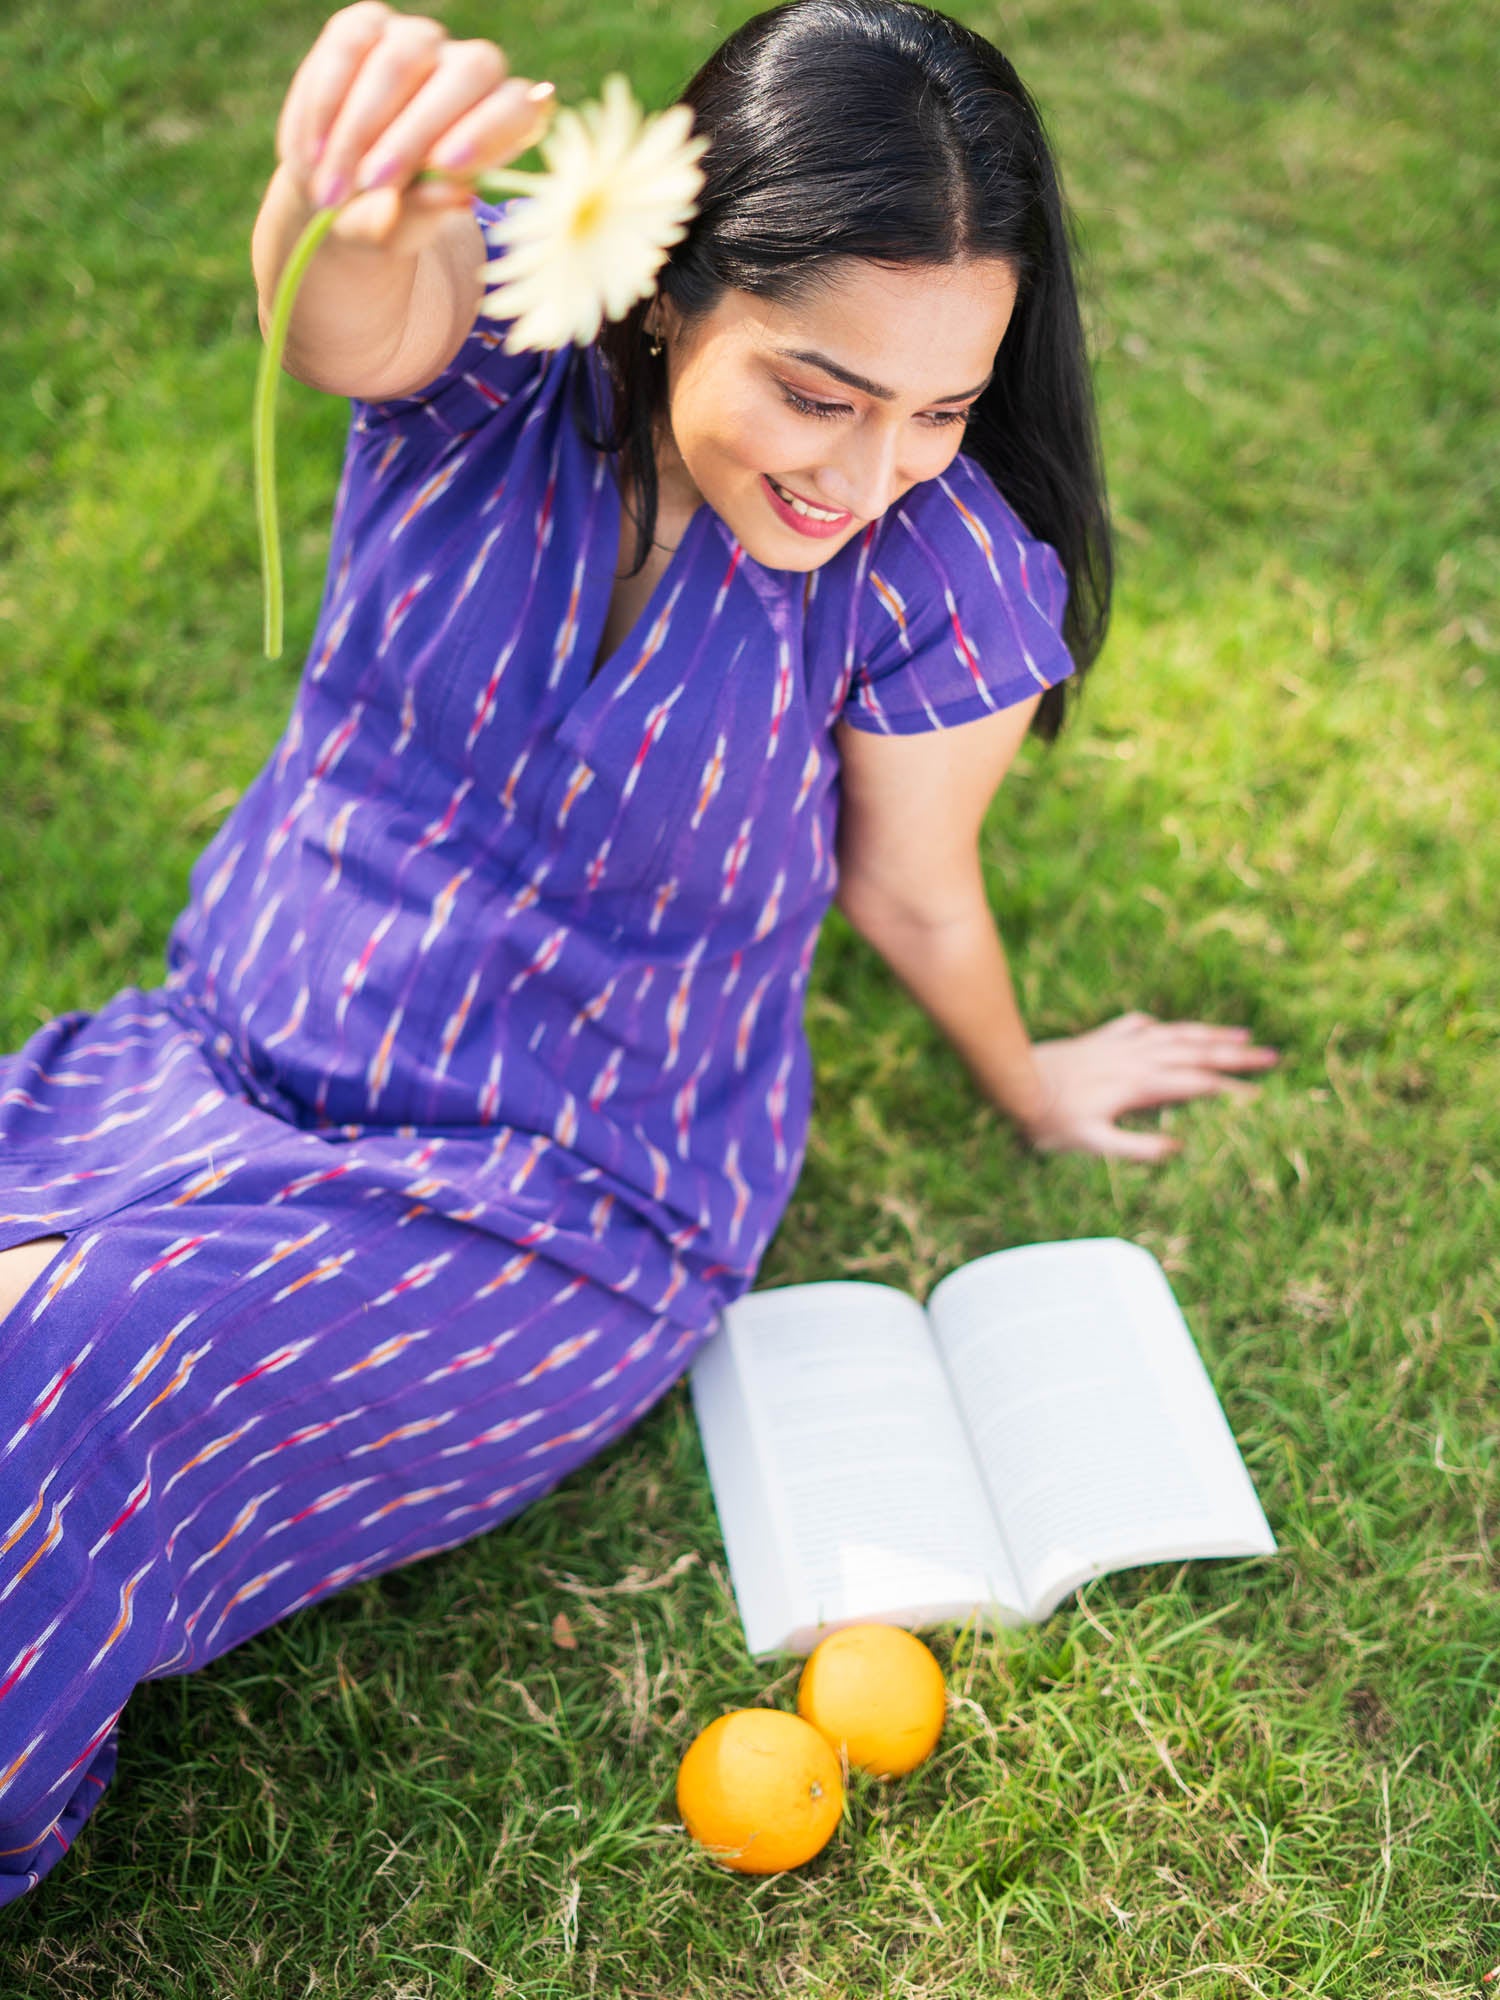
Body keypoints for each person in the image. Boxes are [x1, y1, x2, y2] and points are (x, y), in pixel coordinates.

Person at [0, 0, 1277, 1902]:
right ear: (673, 286)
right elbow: (353, 298)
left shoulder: (937, 566)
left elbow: (914, 887)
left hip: (559, 1189)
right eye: (822, 389)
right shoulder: (512, 338)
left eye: (942, 405)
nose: (874, 469)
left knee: (68, 1361)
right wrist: (339, 196)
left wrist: (1035, 1079)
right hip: (218, 1042)